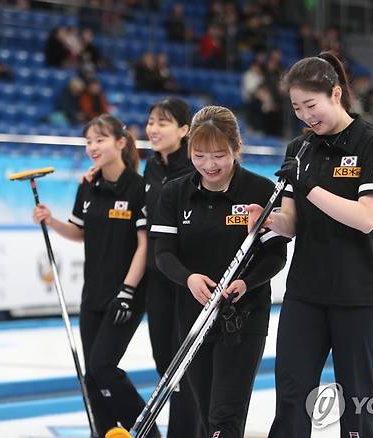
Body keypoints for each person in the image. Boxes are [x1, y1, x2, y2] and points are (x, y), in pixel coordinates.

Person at [250, 52, 373, 438]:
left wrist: (308, 187)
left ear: (335, 94)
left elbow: (366, 218)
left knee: (355, 401)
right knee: (292, 396)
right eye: (296, 107)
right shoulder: (299, 150)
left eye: (311, 105)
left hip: (358, 296)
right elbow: (290, 224)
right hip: (306, 293)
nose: (304, 116)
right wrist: (264, 221)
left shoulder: (372, 145)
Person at [150, 105, 289, 438]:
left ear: (236, 149)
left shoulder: (260, 191)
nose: (209, 165)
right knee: (205, 415)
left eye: (218, 155)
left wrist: (245, 282)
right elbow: (163, 254)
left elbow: (276, 256)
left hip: (243, 319)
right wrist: (189, 278)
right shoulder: (175, 193)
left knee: (224, 419)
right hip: (194, 320)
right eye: (199, 155)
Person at [33, 114, 159, 438]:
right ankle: (103, 433)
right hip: (93, 294)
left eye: (100, 140)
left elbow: (144, 245)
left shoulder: (140, 187)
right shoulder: (89, 186)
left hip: (125, 294)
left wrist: (128, 291)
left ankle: (145, 430)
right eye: (88, 141)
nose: (93, 147)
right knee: (92, 376)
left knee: (103, 367)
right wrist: (50, 220)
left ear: (120, 142)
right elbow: (80, 232)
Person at [142, 97, 202, 438]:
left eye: (162, 122)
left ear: (184, 130)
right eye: (151, 121)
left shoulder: (196, 169)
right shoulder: (149, 167)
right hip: (157, 278)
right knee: (164, 362)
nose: (153, 129)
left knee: (186, 367)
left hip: (190, 280)